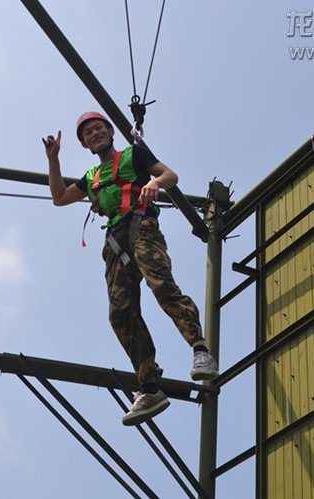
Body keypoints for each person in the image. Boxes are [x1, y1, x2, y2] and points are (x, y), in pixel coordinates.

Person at [43, 111, 217, 426]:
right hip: (115, 243)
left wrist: (154, 183)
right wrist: (54, 159)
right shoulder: (92, 176)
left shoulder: (134, 154)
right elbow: (58, 197)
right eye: (88, 133)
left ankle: (200, 349)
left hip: (142, 227)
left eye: (99, 129)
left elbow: (169, 175)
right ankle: (149, 387)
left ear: (110, 132)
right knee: (120, 313)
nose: (94, 134)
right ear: (84, 143)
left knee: (162, 286)